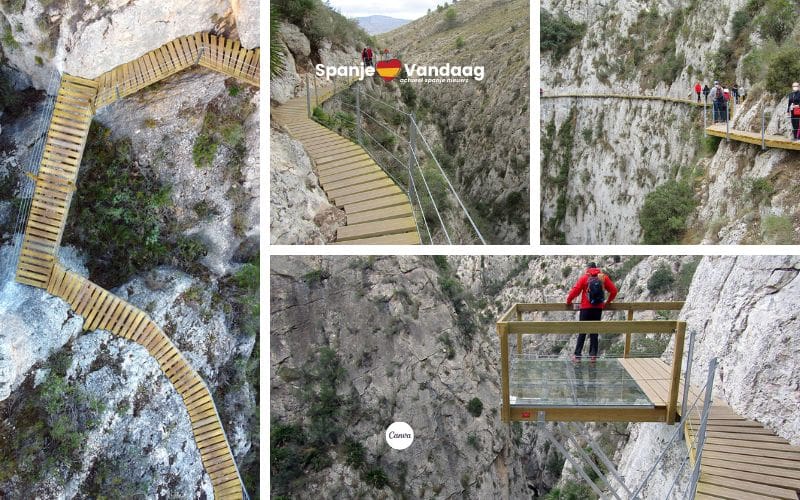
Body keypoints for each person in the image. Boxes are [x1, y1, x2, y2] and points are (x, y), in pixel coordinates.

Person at [566, 262, 618, 362]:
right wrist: (607, 302)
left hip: (585, 308)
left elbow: (575, 291)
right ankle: (593, 356)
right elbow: (614, 291)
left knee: (582, 331)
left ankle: (577, 356)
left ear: (588, 268)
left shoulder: (584, 278)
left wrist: (568, 301)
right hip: (597, 308)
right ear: (597, 268)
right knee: (594, 332)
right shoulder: (603, 278)